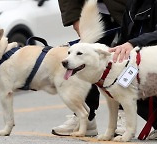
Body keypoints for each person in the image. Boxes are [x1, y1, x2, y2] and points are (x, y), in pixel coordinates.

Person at [52, 0, 127, 136]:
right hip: (92, 10)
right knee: (82, 61)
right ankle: (85, 117)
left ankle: (124, 116)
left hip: (129, 9)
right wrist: (75, 19)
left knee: (124, 62)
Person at [109, 0, 157, 141]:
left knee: (155, 75)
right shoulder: (132, 5)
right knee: (109, 74)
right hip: (149, 60)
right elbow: (124, 40)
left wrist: (135, 43)